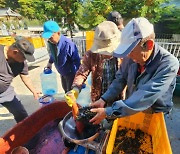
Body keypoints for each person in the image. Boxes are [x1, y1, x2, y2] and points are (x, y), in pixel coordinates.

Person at [89, 17, 179, 125]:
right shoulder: (131, 57)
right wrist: (104, 99)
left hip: (156, 112)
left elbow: (145, 95)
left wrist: (109, 111)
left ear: (148, 45)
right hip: (131, 108)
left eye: (131, 51)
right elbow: (120, 79)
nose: (128, 56)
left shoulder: (168, 64)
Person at [65, 21, 125, 108]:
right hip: (98, 99)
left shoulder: (123, 54)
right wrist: (76, 89)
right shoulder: (91, 55)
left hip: (119, 99)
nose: (106, 53)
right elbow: (82, 73)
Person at [0, 37, 41, 123]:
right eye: (24, 57)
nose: (25, 60)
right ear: (15, 52)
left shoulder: (21, 63)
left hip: (5, 91)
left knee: (20, 114)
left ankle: (27, 133)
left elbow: (25, 76)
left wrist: (34, 91)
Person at [42, 20, 81, 93]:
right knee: (65, 89)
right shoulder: (52, 43)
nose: (49, 40)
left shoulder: (68, 44)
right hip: (62, 73)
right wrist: (50, 63)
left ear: (58, 33)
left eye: (51, 37)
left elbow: (76, 62)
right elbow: (53, 54)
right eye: (48, 38)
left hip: (71, 74)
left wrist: (78, 79)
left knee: (71, 92)